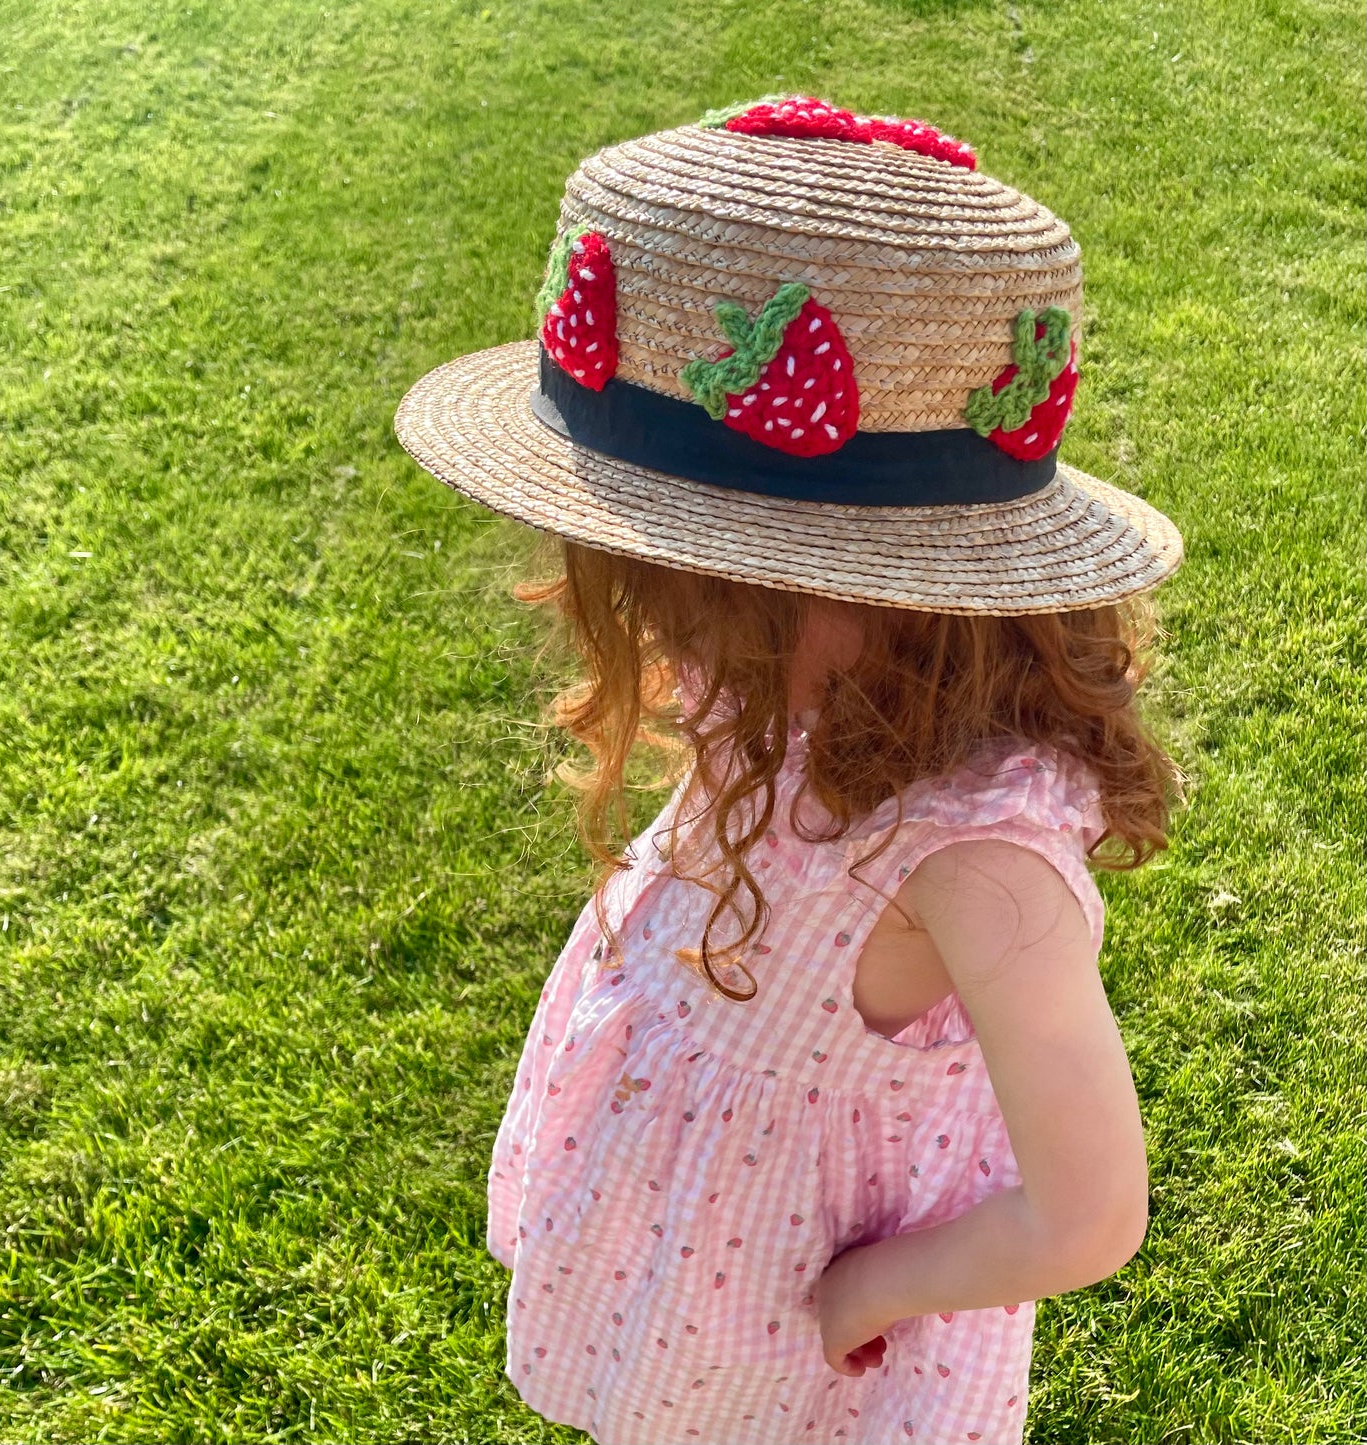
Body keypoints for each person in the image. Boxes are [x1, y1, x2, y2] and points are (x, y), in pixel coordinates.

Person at [395, 95, 1183, 1445]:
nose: (660, 624)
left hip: (805, 1325)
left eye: (687, 584)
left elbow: (1090, 1207)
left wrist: (865, 1294)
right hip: (693, 1239)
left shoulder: (974, 862)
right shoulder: (804, 685)